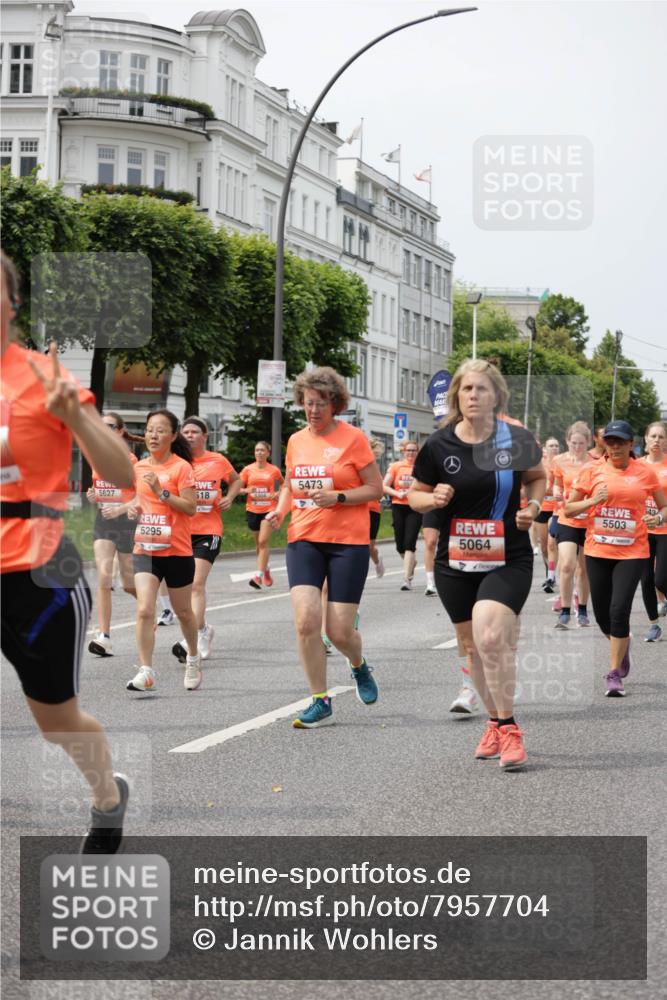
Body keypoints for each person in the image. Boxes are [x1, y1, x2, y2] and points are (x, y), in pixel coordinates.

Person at [0, 250, 134, 852]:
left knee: (57, 722)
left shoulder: (43, 378)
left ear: (12, 302)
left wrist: (75, 420)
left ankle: (107, 795)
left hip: (39, 573)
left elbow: (123, 475)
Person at [408, 359, 545, 771]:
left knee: (489, 637)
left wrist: (533, 506)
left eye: (481, 389)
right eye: (466, 390)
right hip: (455, 561)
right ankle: (493, 722)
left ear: (495, 396)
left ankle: (510, 728)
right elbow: (416, 494)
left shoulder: (516, 439)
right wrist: (432, 501)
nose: (473, 396)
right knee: (471, 649)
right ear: (456, 397)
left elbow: (537, 477)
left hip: (508, 557)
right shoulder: (439, 445)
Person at [266, 366, 384, 728]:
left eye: (320, 404)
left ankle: (358, 664)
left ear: (335, 405)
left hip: (347, 542)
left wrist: (340, 496)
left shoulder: (354, 440)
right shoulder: (297, 441)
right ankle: (320, 699)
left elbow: (375, 489)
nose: (313, 410)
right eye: (307, 403)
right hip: (304, 539)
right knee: (305, 621)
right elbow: (289, 484)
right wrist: (279, 509)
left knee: (338, 631)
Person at [564, 420, 667, 696]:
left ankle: (613, 674)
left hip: (633, 551)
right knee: (602, 617)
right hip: (598, 551)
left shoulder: (644, 472)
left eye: (621, 441)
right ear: (604, 444)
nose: (616, 446)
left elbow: (664, 506)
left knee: (619, 609)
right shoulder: (591, 470)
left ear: (631, 444)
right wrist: (591, 501)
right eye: (611, 441)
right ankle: (622, 645)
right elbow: (569, 510)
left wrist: (657, 517)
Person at [127, 409, 201, 693]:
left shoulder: (182, 468)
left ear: (172, 435)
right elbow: (137, 500)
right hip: (145, 548)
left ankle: (193, 656)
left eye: (160, 430)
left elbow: (191, 508)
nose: (153, 435)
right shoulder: (138, 468)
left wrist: (161, 492)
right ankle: (146, 671)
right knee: (145, 610)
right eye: (149, 430)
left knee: (183, 612)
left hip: (177, 550)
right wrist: (133, 507)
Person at [170, 417, 241, 662]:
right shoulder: (176, 462)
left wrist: (230, 497)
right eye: (185, 432)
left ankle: (194, 639)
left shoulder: (217, 460)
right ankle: (203, 630)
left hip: (208, 530)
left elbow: (236, 479)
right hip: (180, 531)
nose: (189, 435)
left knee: (197, 584)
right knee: (185, 588)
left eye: (194, 432)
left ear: (205, 436)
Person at [86, 413, 140, 656]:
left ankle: (148, 607)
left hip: (126, 523)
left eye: (109, 426)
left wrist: (119, 508)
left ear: (119, 431)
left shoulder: (131, 459)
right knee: (104, 577)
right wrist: (93, 497)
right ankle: (104, 635)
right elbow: (98, 489)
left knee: (129, 584)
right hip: (104, 522)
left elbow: (141, 496)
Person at [552, 422, 594, 628]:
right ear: (567, 441)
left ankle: (584, 609)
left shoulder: (595, 463)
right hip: (567, 518)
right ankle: (565, 611)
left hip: (588, 521)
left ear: (588, 443)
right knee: (567, 564)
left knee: (583, 569)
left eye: (581, 443)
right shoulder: (559, 461)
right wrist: (557, 491)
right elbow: (556, 483)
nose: (577, 447)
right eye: (573, 443)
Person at [239, 440, 283, 590]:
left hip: (269, 509)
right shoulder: (247, 470)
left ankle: (257, 576)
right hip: (252, 510)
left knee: (263, 542)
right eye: (257, 450)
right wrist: (246, 491)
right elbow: (236, 488)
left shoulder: (274, 470)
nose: (259, 453)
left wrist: (278, 493)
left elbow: (284, 485)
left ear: (268, 453)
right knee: (259, 545)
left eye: (262, 450)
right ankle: (266, 569)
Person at [638, 421, 667, 641]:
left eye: (661, 437)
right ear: (646, 439)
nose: (657, 440)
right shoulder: (636, 466)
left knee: (660, 579)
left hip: (665, 528)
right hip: (642, 531)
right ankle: (654, 625)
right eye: (653, 436)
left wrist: (658, 516)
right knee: (646, 579)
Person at [383, 441, 422, 590]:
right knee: (400, 545)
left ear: (418, 452)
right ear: (403, 452)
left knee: (409, 543)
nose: (411, 453)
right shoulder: (396, 466)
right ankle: (410, 561)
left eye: (414, 450)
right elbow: (384, 486)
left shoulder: (421, 467)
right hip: (398, 506)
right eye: (408, 450)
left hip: (415, 507)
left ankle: (406, 579)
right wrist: (397, 493)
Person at [536, 437, 560, 593]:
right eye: (551, 445)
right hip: (542, 507)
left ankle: (551, 576)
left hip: (556, 508)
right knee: (543, 546)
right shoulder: (540, 463)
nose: (554, 448)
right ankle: (549, 573)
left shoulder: (561, 462)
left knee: (552, 543)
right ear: (546, 448)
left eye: (557, 445)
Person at [368, 437, 385, 579]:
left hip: (372, 509)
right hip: (355, 509)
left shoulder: (374, 469)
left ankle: (377, 560)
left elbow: (380, 491)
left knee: (369, 546)